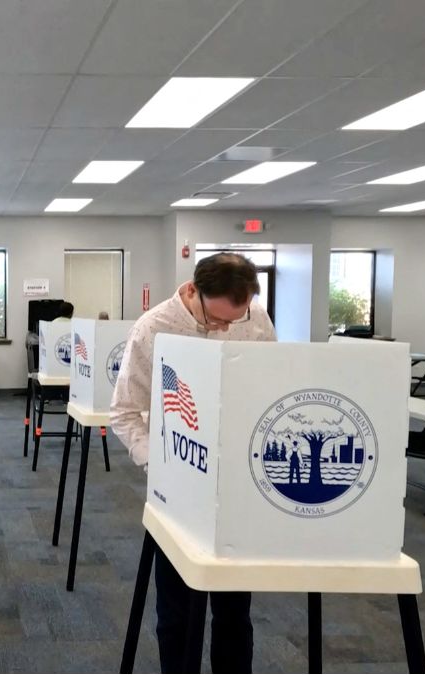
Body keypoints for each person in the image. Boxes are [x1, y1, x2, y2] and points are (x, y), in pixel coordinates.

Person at [110, 253, 276, 673]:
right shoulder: (152, 329)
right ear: (190, 290)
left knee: (235, 612)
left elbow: (269, 392)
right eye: (216, 320)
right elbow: (125, 413)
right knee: (178, 611)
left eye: (233, 321)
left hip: (236, 485)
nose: (224, 328)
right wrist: (159, 467)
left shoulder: (254, 318)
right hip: (178, 489)